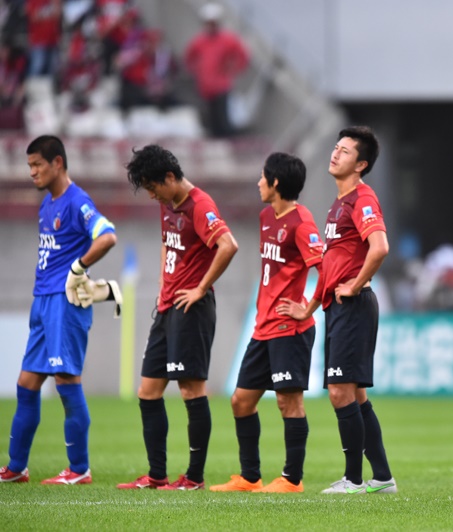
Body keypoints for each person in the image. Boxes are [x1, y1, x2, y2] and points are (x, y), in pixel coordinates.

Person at [277, 126, 396, 495]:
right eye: (336, 147)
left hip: (354, 306)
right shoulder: (339, 203)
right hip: (339, 306)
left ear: (361, 164)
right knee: (354, 394)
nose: (335, 153)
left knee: (340, 392)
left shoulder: (362, 199)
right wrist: (310, 307)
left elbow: (380, 247)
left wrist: (356, 285)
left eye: (345, 151)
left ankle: (354, 480)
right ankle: (382, 478)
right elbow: (332, 266)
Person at [117, 144, 238, 491]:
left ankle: (194, 477)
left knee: (190, 389)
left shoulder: (200, 205)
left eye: (153, 187)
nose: (151, 195)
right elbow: (167, 243)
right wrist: (163, 283)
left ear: (170, 176)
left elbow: (228, 245)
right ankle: (157, 474)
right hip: (168, 305)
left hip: (192, 309)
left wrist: (200, 288)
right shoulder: (168, 204)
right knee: (148, 390)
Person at [0, 135, 117, 485]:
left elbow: (107, 235)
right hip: (43, 301)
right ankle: (16, 468)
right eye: (30, 166)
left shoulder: (77, 201)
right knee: (26, 383)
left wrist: (78, 268)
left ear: (58, 163)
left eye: (37, 164)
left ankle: (79, 470)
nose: (32, 172)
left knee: (66, 381)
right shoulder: (48, 204)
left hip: (65, 304)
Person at [209, 153, 323, 493]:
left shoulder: (302, 223)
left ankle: (292, 480)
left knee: (289, 402)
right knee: (241, 401)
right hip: (263, 327)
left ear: (275, 182)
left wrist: (308, 308)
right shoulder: (265, 217)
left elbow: (326, 269)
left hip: (290, 329)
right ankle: (250, 477)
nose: (258, 182)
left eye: (263, 177)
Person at [184, 2, 249, 138]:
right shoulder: (199, 41)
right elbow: (189, 58)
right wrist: (196, 72)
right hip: (205, 87)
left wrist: (234, 69)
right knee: (210, 122)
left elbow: (243, 56)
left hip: (221, 85)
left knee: (223, 120)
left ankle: (228, 139)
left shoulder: (228, 39)